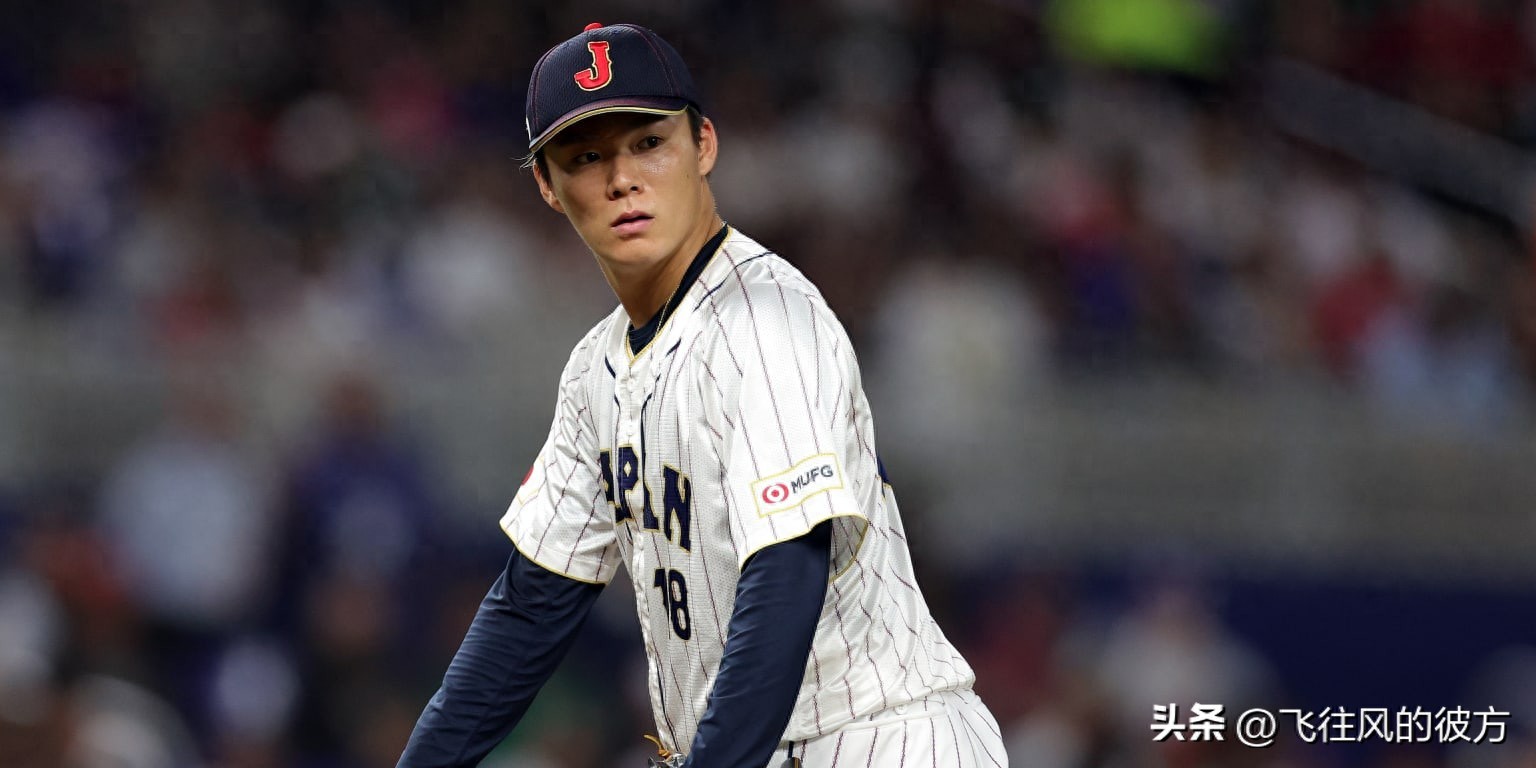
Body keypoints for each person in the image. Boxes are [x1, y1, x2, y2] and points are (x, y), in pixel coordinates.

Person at [398, 22, 1007, 768]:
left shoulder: (768, 321)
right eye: (586, 157)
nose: (622, 179)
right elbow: (532, 607)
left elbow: (787, 571)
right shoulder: (597, 370)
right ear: (547, 187)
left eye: (648, 143)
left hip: (877, 737)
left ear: (705, 146)